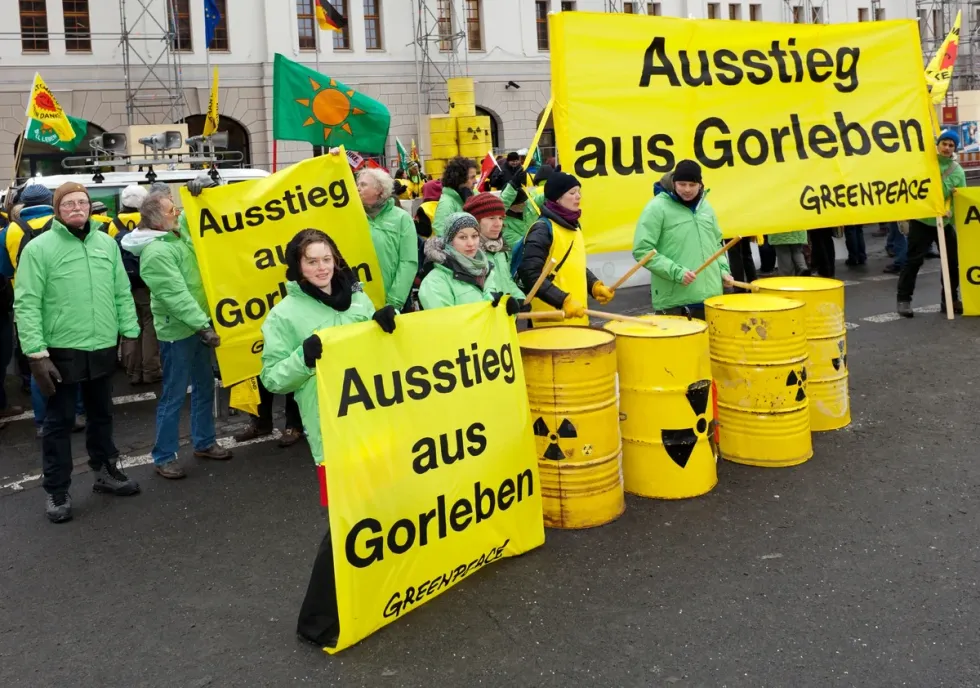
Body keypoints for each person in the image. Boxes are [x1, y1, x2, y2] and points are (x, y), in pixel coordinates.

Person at [259, 228, 397, 646]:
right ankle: (318, 620)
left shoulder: (358, 300)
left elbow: (384, 355)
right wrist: (303, 357)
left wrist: (385, 326)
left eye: (326, 259)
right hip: (331, 434)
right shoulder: (284, 316)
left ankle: (373, 594)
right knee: (345, 523)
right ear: (296, 267)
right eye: (311, 261)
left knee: (383, 510)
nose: (321, 268)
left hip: (377, 422)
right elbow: (272, 378)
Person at [14, 182, 141, 523]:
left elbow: (120, 289)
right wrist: (36, 354)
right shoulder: (39, 248)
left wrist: (130, 333)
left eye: (82, 202)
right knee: (59, 423)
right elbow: (26, 303)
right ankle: (57, 489)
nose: (76, 208)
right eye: (68, 203)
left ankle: (105, 471)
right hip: (61, 349)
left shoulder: (105, 243)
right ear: (57, 209)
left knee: (102, 415)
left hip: (101, 344)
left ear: (89, 206)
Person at [120, 191, 232, 479]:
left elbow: (196, 228)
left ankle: (204, 442)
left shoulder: (174, 236)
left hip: (196, 327)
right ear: (157, 219)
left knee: (205, 386)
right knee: (173, 394)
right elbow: (174, 294)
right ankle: (164, 455)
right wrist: (203, 325)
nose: (178, 214)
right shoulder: (157, 251)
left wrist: (202, 194)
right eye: (172, 211)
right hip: (180, 332)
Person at [632, 160, 733, 320]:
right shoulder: (656, 208)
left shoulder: (706, 208)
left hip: (711, 300)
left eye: (692, 185)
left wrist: (723, 271)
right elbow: (642, 250)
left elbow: (716, 245)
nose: (687, 190)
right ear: (674, 183)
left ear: (700, 184)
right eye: (682, 184)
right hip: (676, 303)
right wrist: (676, 272)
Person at [515, 172, 612, 325]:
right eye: (572, 193)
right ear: (557, 198)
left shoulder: (574, 226)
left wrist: (594, 286)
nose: (578, 196)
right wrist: (563, 300)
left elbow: (572, 265)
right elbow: (530, 274)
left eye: (579, 192)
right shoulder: (542, 229)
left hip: (577, 317)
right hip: (551, 322)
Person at [898, 129, 966, 317]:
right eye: (944, 143)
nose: (947, 148)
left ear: (954, 149)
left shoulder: (958, 172)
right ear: (937, 145)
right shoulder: (925, 164)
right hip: (922, 221)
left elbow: (961, 199)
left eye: (951, 145)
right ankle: (904, 300)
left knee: (952, 263)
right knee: (913, 261)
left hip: (944, 223)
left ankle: (950, 300)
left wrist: (951, 211)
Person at [418, 212, 525, 310]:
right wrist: (487, 306)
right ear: (450, 241)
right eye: (462, 237)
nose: (471, 243)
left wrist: (506, 309)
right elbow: (447, 325)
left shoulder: (485, 270)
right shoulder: (435, 281)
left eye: (474, 236)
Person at [111, 186, 161, 385]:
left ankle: (132, 371)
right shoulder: (149, 220)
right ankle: (150, 369)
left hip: (125, 282)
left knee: (130, 326)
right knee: (149, 325)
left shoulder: (113, 224)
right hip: (146, 281)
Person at [357, 168, 418, 311]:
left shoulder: (402, 218)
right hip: (359, 303)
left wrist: (393, 303)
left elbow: (408, 262)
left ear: (379, 189)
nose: (357, 188)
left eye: (363, 185)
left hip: (394, 303)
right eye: (357, 184)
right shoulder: (352, 216)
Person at [463, 193, 515, 276]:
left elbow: (508, 282)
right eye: (491, 218)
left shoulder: (503, 248)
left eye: (500, 218)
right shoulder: (467, 254)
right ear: (476, 221)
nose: (498, 224)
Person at [432, 156, 479, 236]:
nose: (475, 181)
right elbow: (441, 234)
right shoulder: (446, 203)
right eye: (472, 177)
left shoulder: (474, 193)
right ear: (459, 179)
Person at [500, 165, 542, 248]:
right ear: (510, 205)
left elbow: (543, 197)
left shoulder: (529, 204)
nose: (524, 204)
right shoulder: (504, 225)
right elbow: (519, 244)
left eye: (524, 201)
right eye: (520, 203)